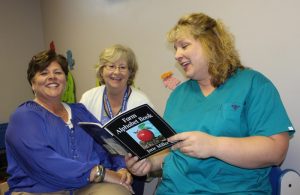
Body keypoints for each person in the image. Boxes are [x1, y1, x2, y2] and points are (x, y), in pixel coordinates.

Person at [125, 12, 295, 195]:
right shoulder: (179, 95)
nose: (177, 55)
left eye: (184, 46)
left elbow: (276, 151)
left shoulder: (254, 84)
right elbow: (171, 152)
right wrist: (149, 164)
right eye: (175, 49)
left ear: (211, 44)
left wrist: (215, 146)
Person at [5, 49, 134, 195]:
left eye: (58, 72)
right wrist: (98, 172)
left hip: (85, 186)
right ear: (33, 84)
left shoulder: (80, 111)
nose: (52, 77)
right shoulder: (23, 117)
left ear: (65, 80)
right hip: (39, 189)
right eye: (44, 73)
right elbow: (45, 163)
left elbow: (108, 142)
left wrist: (120, 168)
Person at [80, 44, 153, 195]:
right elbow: (81, 136)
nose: (116, 72)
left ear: (130, 72)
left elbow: (151, 144)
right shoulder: (88, 97)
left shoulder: (141, 101)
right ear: (102, 70)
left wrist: (126, 167)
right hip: (97, 170)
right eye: (111, 66)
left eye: (122, 67)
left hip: (131, 172)